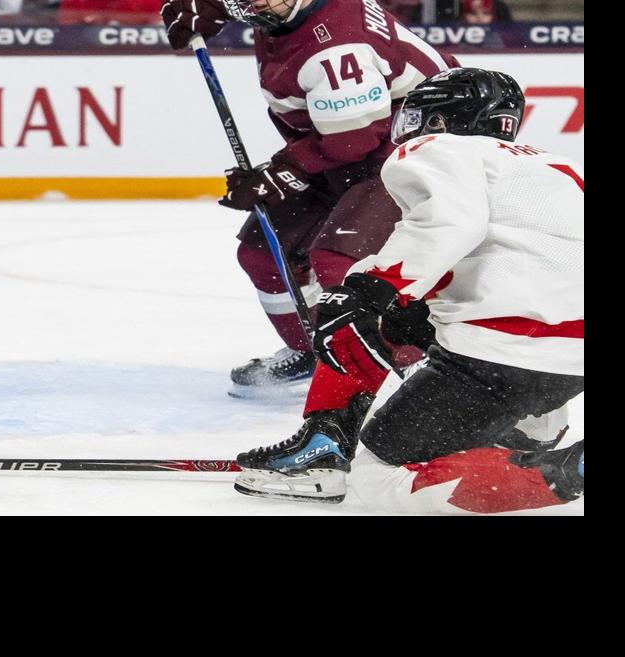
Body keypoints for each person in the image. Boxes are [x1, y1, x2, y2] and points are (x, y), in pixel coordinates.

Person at [233, 68, 584, 512]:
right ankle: (532, 427)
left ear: (438, 119)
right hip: (570, 360)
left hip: (504, 356)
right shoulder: (560, 167)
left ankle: (325, 447)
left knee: (377, 474)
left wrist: (368, 289)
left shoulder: (437, 148)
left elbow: (451, 223)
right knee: (404, 314)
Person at [160, 0, 456, 398]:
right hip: (345, 148)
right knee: (264, 254)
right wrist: (214, 5)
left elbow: (354, 138)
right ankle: (316, 349)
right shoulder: (290, 11)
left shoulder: (338, 43)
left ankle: (402, 366)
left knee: (340, 261)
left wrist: (279, 174)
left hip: (406, 154)